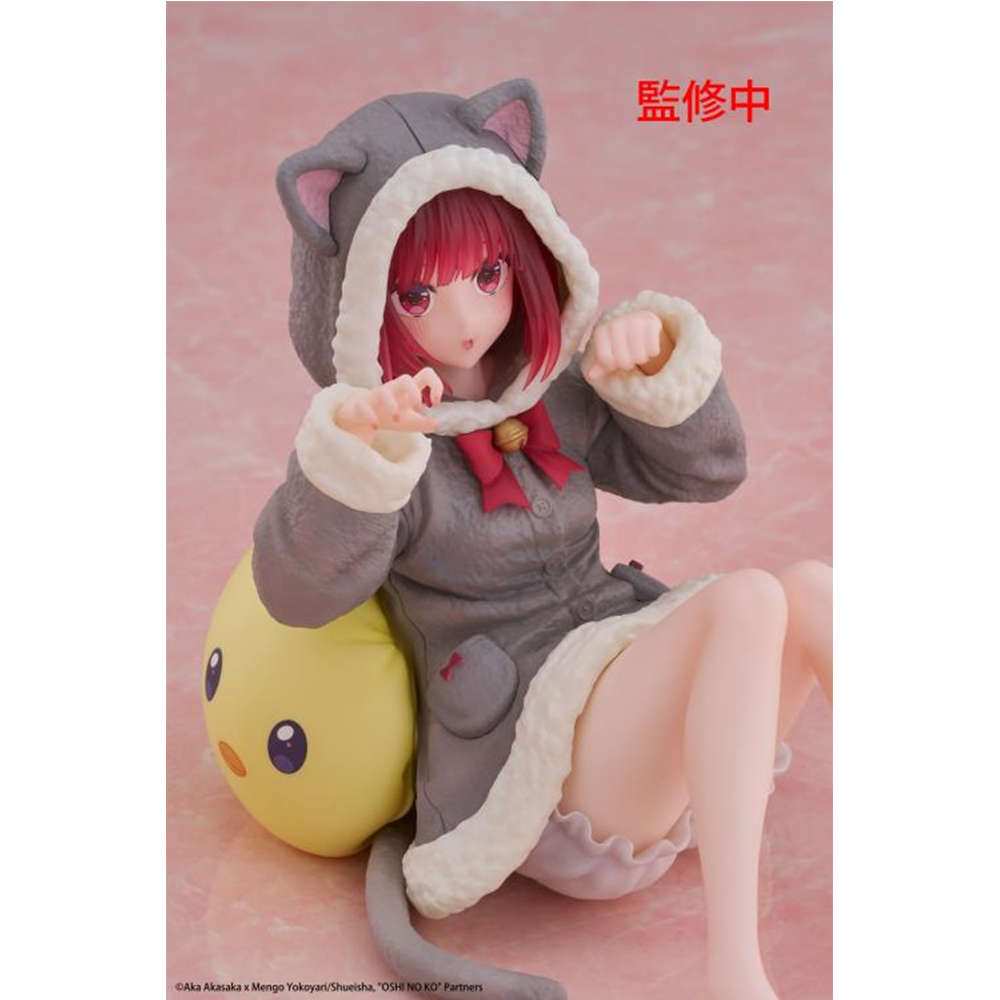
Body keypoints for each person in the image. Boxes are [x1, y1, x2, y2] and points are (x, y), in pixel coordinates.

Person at [253, 78, 832, 1000]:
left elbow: (709, 471)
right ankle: (734, 965)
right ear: (360, 300)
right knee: (749, 599)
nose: (466, 319)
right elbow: (297, 591)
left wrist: (650, 368)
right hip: (535, 760)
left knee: (808, 587)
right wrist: (358, 460)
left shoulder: (549, 388)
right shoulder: (387, 440)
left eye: (488, 275)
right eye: (418, 293)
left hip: (628, 699)